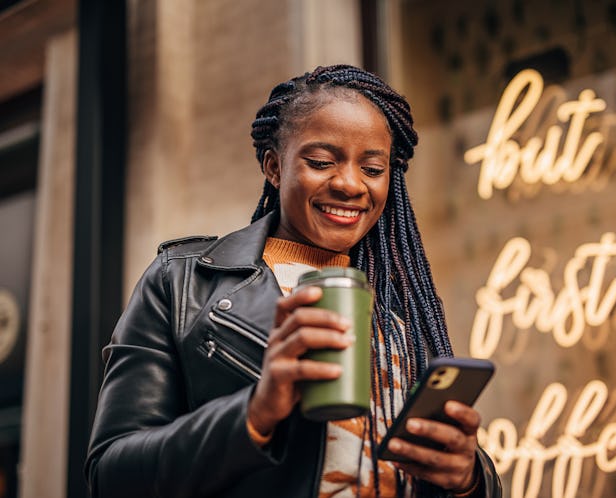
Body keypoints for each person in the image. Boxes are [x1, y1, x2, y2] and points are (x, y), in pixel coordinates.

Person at [85, 64, 502, 498]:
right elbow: (111, 476)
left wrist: (469, 479)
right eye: (322, 162)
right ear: (274, 166)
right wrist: (255, 412)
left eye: (373, 169)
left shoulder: (401, 311)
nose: (349, 184)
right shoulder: (184, 281)